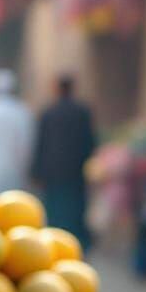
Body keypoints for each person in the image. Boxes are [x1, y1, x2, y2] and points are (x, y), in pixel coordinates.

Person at [31, 74, 96, 250]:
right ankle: (76, 244)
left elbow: (40, 144)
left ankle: (54, 244)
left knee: (55, 209)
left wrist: (36, 171)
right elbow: (90, 142)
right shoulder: (82, 112)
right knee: (75, 208)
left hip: (53, 171)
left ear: (57, 88)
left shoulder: (49, 112)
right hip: (75, 170)